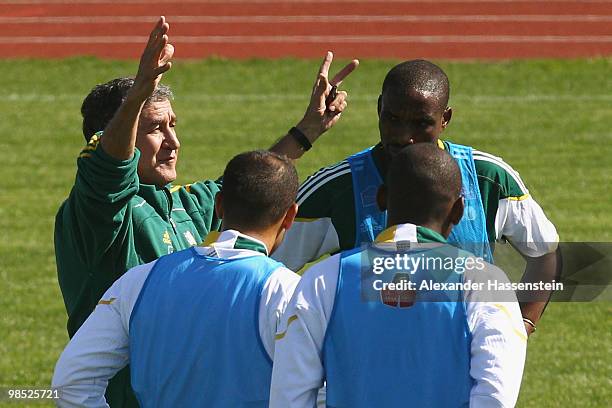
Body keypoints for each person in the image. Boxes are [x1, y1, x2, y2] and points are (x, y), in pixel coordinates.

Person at [54, 17, 358, 408]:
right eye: (155, 128)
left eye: (173, 125)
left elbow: (257, 185)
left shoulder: (185, 205)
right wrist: (139, 91)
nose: (173, 141)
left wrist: (307, 131)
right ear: (116, 135)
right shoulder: (97, 212)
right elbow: (108, 171)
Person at [272, 59, 560, 336]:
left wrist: (522, 325)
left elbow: (546, 253)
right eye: (393, 119)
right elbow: (262, 261)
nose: (404, 136)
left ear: (444, 119)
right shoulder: (336, 189)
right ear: (379, 109)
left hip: (465, 379)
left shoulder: (488, 179)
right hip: (370, 375)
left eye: (421, 123)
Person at [269, 144, 527, 407]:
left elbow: (289, 395)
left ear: (381, 198)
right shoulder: (485, 282)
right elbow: (496, 395)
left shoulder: (322, 279)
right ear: (459, 210)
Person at [53, 150, 302, 407]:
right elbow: (319, 393)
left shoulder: (137, 281)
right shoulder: (290, 293)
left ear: (218, 205)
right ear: (290, 216)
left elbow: (71, 383)